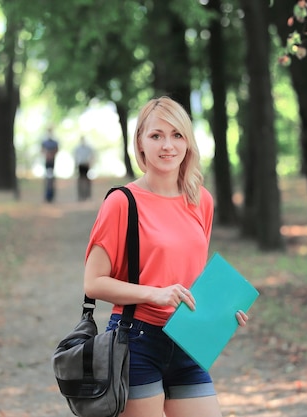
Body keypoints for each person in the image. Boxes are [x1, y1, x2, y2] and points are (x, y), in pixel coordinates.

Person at [83, 96, 249, 417]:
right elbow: (93, 283)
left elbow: (192, 275)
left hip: (188, 339)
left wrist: (222, 310)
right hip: (136, 340)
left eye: (177, 135)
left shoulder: (200, 200)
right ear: (141, 144)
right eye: (156, 135)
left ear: (188, 142)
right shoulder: (122, 202)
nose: (167, 145)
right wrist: (155, 294)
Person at [73, 136, 95, 201]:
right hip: (80, 165)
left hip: (86, 165)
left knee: (87, 181)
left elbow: (92, 156)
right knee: (80, 181)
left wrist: (90, 163)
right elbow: (75, 157)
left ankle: (87, 195)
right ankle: (80, 195)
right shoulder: (78, 148)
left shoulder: (88, 148)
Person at [41, 128, 59, 202]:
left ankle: (51, 195)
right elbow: (42, 150)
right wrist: (46, 155)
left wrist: (51, 155)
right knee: (47, 179)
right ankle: (47, 195)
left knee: (51, 180)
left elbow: (56, 150)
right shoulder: (44, 142)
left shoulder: (54, 142)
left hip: (52, 163)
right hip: (47, 163)